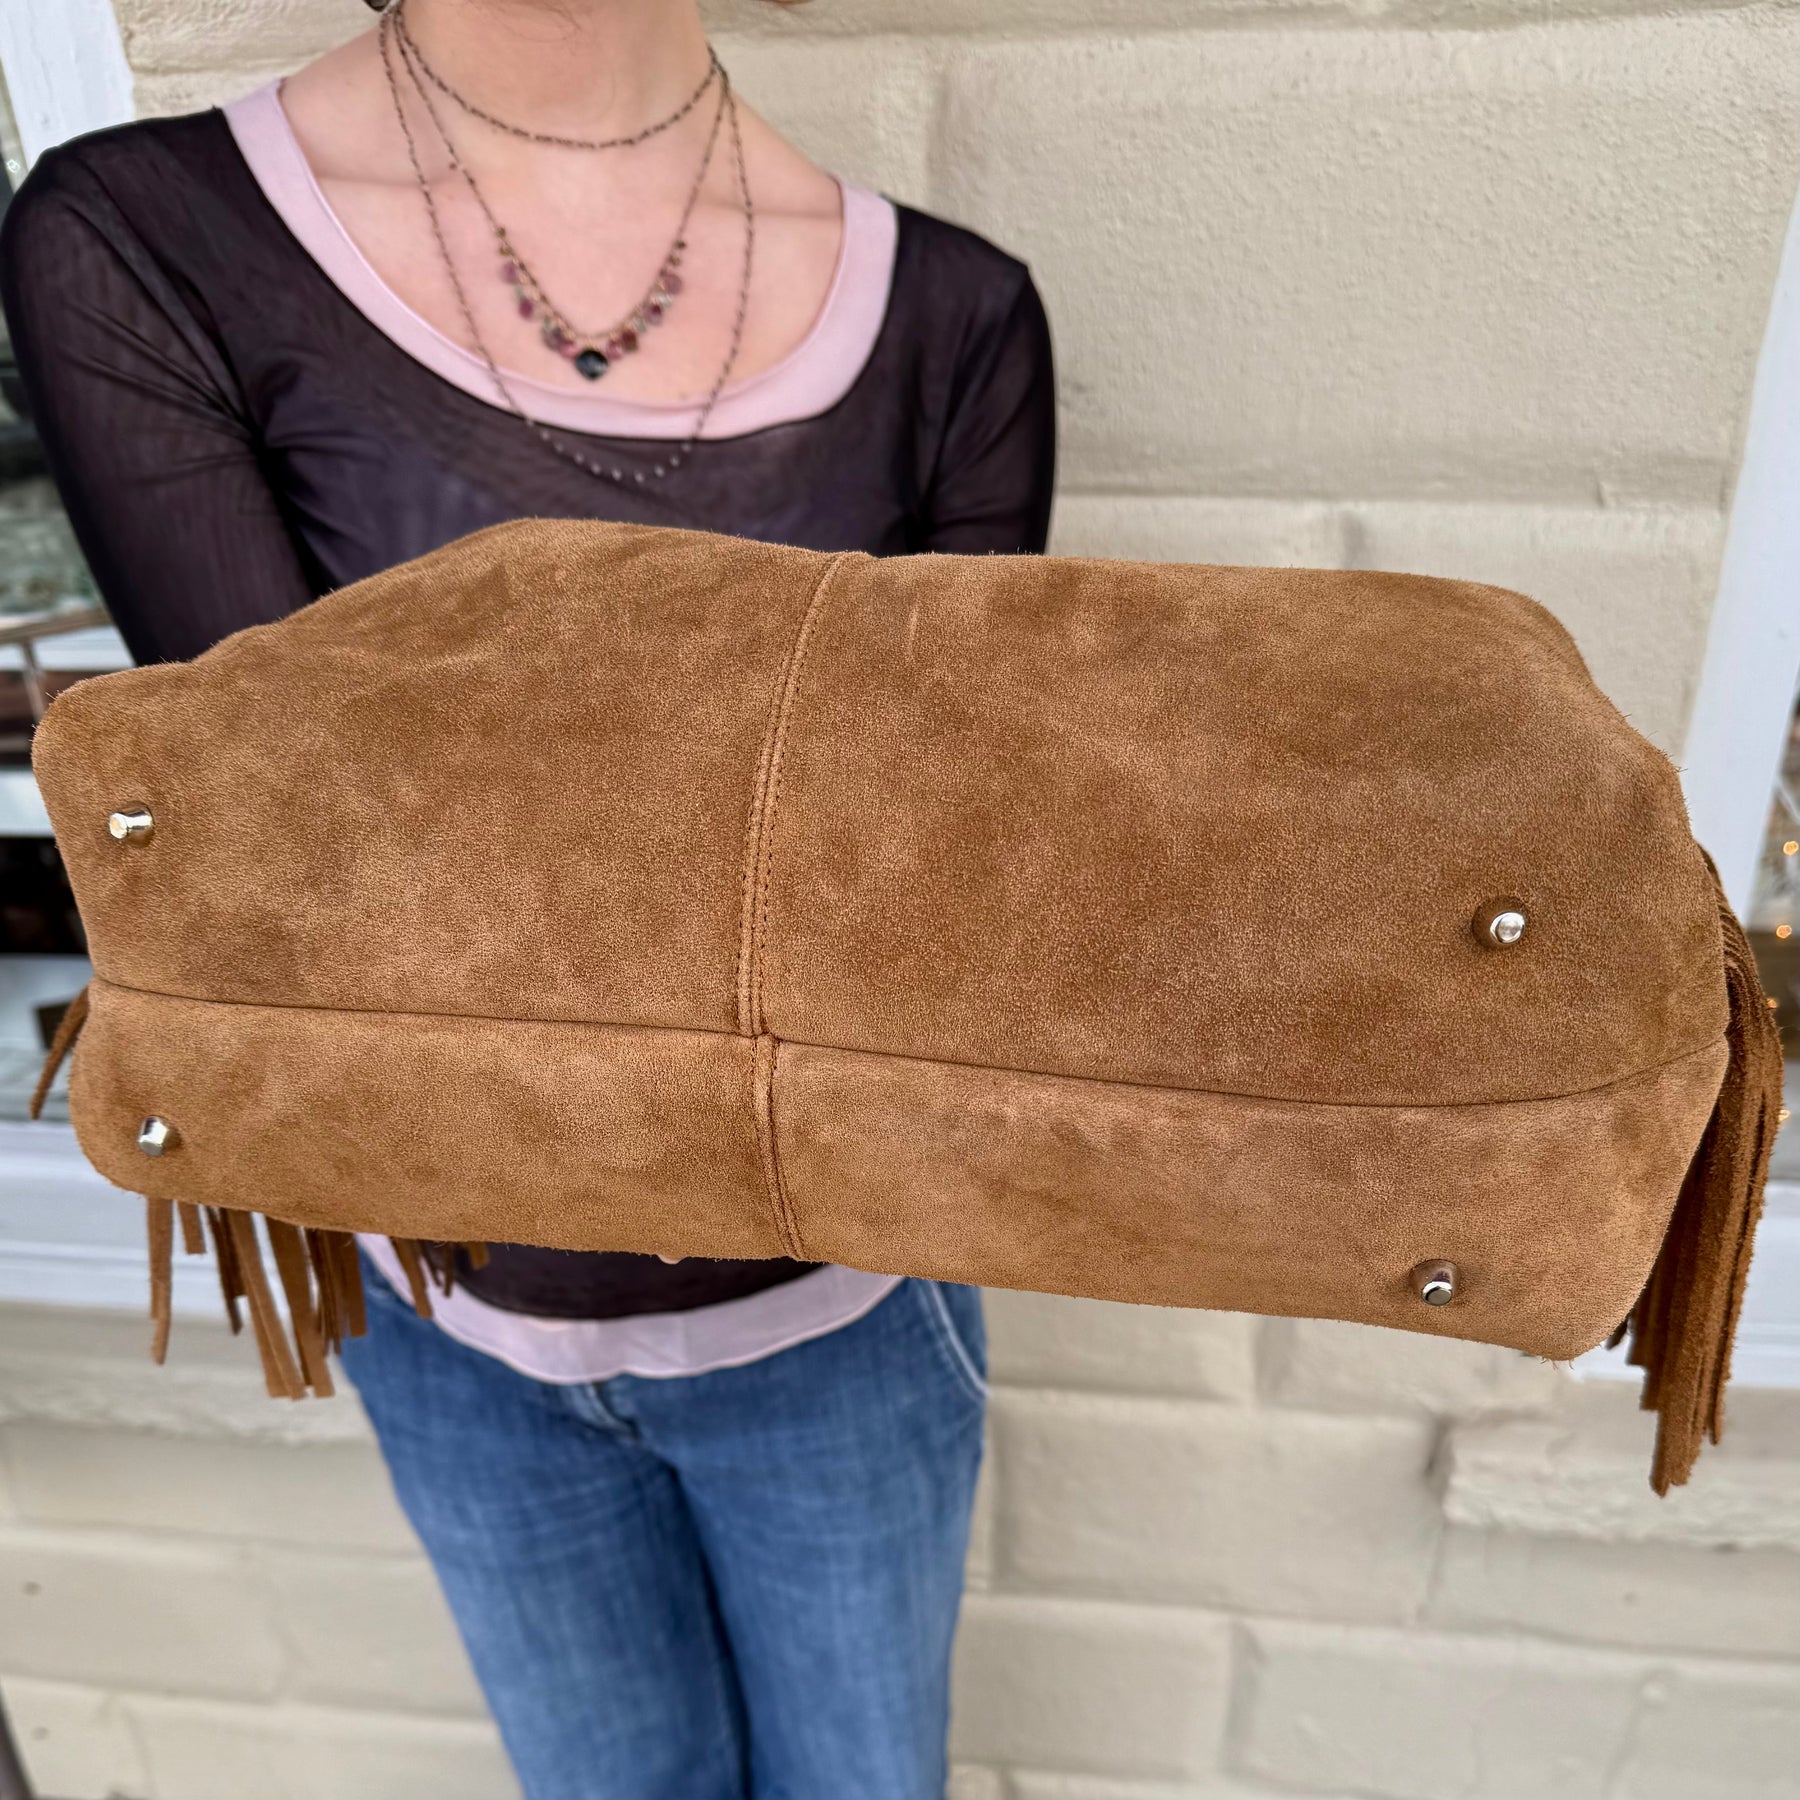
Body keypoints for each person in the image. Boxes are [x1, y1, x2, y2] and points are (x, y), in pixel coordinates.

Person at [0, 0, 1056, 1794]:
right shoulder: (150, 235)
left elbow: (932, 900)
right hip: (439, 1303)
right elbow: (285, 850)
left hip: (842, 1305)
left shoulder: (953, 316)